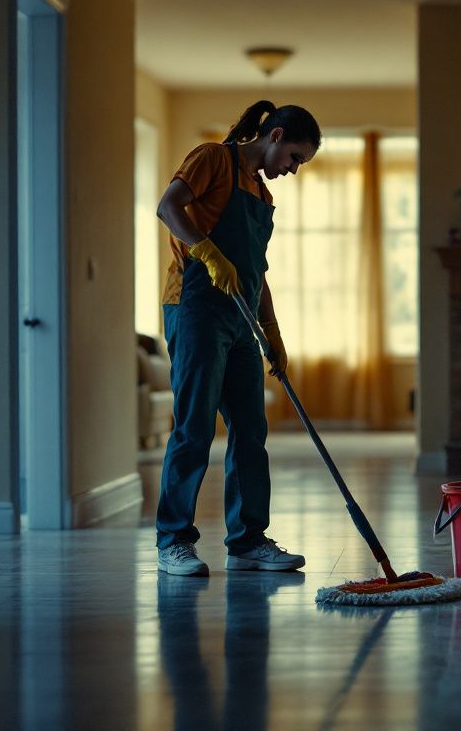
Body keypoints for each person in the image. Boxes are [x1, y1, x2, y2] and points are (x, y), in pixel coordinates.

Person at [154, 100, 321, 576]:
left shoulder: (263, 197)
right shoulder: (214, 158)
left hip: (241, 316)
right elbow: (168, 207)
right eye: (293, 157)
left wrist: (273, 332)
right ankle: (174, 542)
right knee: (195, 426)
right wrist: (206, 251)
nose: (291, 170)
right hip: (196, 308)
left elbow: (255, 272)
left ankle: (247, 540)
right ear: (276, 135)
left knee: (251, 429)